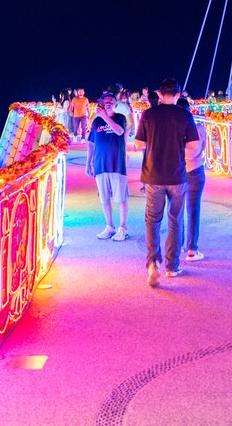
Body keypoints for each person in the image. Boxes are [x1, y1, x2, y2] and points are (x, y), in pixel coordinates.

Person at [134, 78, 200, 287]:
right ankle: (172, 266)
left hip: (153, 175)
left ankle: (153, 263)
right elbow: (193, 146)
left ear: (159, 94)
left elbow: (139, 144)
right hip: (177, 175)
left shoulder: (148, 114)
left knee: (153, 220)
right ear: (179, 95)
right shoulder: (185, 115)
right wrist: (177, 146)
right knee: (175, 219)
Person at [86, 92, 130, 241]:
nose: (108, 103)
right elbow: (91, 144)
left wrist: (105, 116)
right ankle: (109, 226)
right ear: (102, 104)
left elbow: (120, 131)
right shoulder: (96, 122)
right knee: (104, 199)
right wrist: (88, 163)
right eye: (105, 101)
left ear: (116, 104)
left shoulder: (120, 118)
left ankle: (122, 228)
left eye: (111, 101)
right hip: (100, 164)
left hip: (117, 164)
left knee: (121, 198)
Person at [177, 96, 207, 260]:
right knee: (193, 210)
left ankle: (178, 245)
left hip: (178, 171)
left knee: (177, 210)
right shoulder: (199, 128)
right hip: (195, 169)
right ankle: (192, 249)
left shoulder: (172, 131)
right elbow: (202, 147)